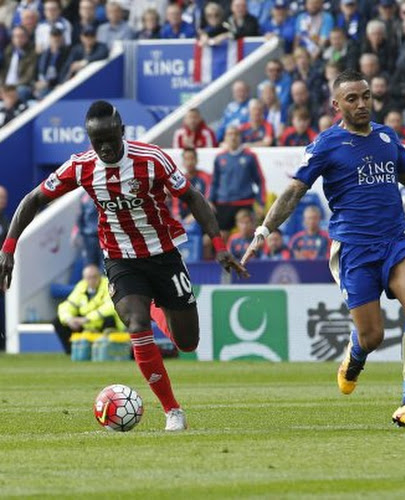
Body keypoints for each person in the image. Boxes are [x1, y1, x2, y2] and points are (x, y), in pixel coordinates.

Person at [240, 69, 405, 428]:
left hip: (395, 239)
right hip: (355, 249)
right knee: (372, 336)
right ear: (336, 105)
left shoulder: (387, 138)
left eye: (366, 96)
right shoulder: (326, 144)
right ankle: (355, 355)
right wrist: (263, 231)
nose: (361, 104)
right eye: (352, 99)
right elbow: (295, 191)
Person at [0, 100, 248, 431]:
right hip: (120, 258)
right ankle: (172, 410)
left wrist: (218, 245)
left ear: (123, 132)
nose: (104, 147)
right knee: (135, 323)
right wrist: (9, 247)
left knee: (187, 343)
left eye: (110, 139)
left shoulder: (151, 159)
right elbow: (32, 200)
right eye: (96, 141)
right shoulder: (81, 167)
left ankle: (159, 308)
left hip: (164, 255)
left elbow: (193, 197)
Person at [210, 125, 266, 240]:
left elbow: (260, 180)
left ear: (241, 137)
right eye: (230, 134)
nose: (233, 137)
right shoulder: (219, 157)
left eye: (236, 134)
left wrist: (261, 202)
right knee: (221, 237)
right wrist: (210, 200)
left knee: (249, 235)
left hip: (244, 202)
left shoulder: (250, 156)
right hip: (224, 203)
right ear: (225, 137)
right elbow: (214, 182)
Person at [53, 264, 124, 354]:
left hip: (102, 323)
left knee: (109, 319)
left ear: (100, 276)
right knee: (58, 321)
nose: (92, 280)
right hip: (86, 325)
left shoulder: (108, 284)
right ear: (84, 278)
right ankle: (72, 351)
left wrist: (87, 319)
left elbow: (110, 306)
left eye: (94, 277)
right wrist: (69, 319)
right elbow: (68, 305)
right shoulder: (81, 286)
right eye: (89, 277)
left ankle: (105, 351)